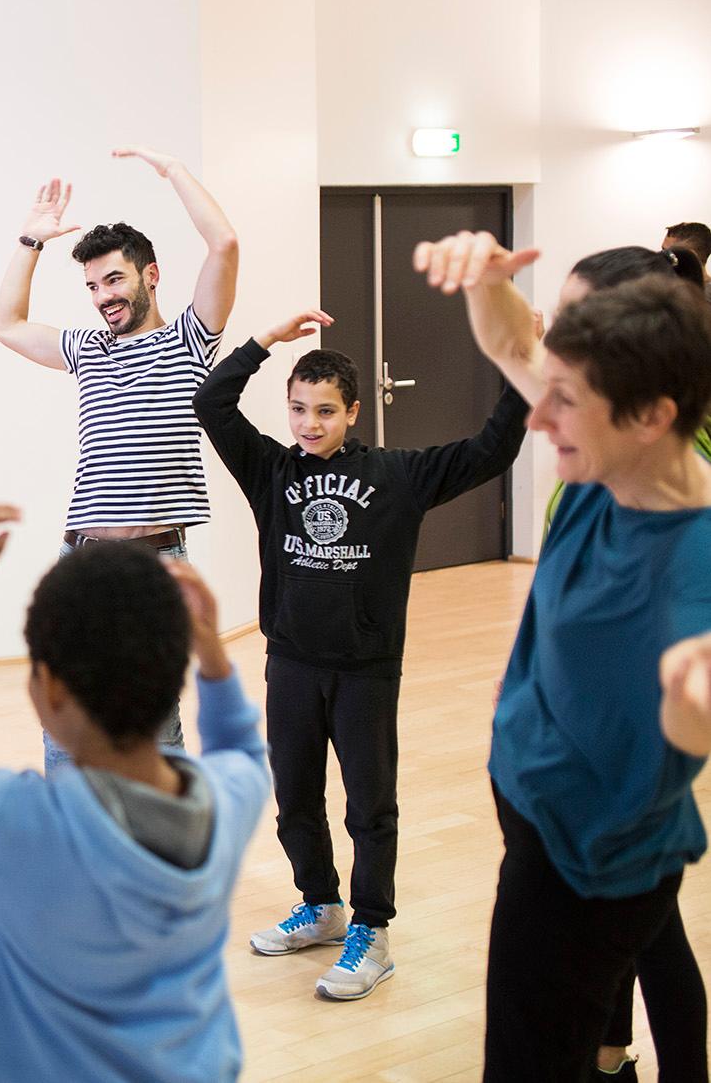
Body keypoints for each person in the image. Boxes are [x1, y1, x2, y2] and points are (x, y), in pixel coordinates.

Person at [413, 231, 711, 1081]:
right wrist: (486, 278)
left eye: (565, 400)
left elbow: (694, 701)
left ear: (653, 414)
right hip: (541, 805)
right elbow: (510, 341)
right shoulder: (613, 451)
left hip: (582, 866)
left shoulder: (693, 567)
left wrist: (694, 697)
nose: (538, 417)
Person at [0, 504, 268, 1081]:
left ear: (49, 692)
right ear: (175, 677)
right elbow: (242, 752)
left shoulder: (20, 825)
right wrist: (214, 657)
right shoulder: (225, 805)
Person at [192, 308, 527, 1000]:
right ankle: (321, 904)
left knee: (369, 805)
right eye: (297, 409)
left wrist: (522, 368)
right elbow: (210, 402)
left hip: (365, 670)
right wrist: (263, 342)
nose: (308, 423)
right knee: (293, 798)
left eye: (323, 410)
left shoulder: (399, 476)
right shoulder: (271, 470)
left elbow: (490, 450)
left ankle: (372, 929)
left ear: (353, 410)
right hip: (289, 661)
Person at [0, 146, 240, 763]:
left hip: (156, 563)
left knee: (155, 725)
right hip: (80, 558)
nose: (103, 295)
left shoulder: (191, 338)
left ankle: (162, 849)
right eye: (93, 285)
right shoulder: (87, 347)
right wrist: (30, 240)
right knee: (63, 715)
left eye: (115, 279)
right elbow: (7, 324)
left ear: (150, 275)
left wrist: (173, 170)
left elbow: (226, 245)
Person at [542, 244, 711, 1079]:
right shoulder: (588, 457)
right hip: (574, 779)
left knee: (653, 936)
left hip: (628, 787)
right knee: (625, 941)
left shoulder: (672, 482)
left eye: (575, 320)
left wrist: (688, 692)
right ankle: (612, 1058)